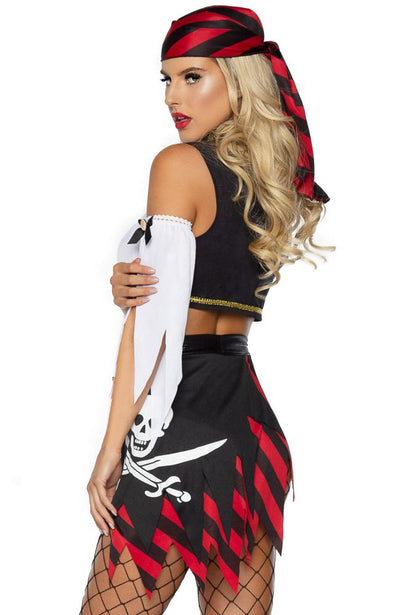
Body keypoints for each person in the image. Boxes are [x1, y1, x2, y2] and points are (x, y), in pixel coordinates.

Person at [79, 5, 334, 614]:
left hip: (178, 426)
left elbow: (154, 329)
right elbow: (197, 280)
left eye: (192, 76)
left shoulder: (177, 164)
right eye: (166, 79)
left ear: (239, 79)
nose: (173, 96)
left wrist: (110, 449)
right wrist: (130, 272)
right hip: (246, 429)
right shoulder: (272, 179)